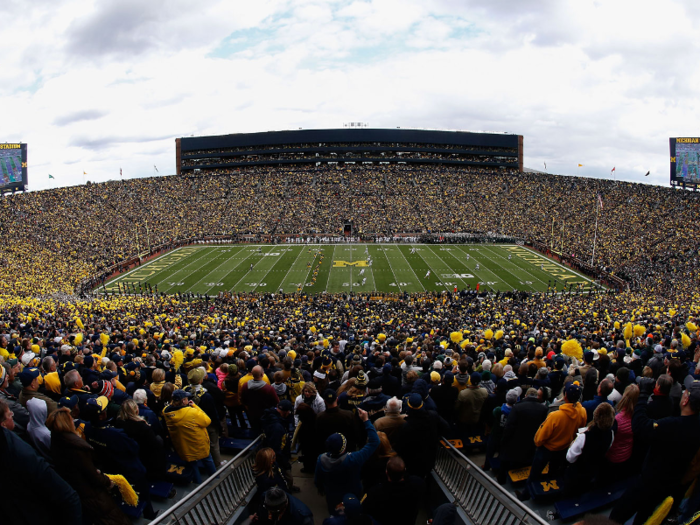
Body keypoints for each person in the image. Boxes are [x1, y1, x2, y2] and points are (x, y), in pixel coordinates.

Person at [610, 382, 700, 525]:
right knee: (645, 517)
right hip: (669, 486)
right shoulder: (694, 426)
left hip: (649, 482)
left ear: (686, 400)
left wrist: (643, 394)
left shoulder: (671, 425)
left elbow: (640, 426)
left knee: (617, 516)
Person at [0, 400, 82, 525]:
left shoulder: (26, 432)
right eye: (10, 415)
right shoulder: (21, 452)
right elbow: (68, 497)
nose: (13, 415)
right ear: (3, 425)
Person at [48, 407, 131, 525]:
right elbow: (92, 474)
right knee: (113, 518)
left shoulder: (56, 441)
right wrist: (107, 482)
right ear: (66, 423)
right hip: (91, 494)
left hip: (80, 490)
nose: (73, 420)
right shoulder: (76, 446)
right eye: (71, 419)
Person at [518, 381, 586, 500]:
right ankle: (548, 493)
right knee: (553, 472)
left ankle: (525, 495)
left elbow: (540, 437)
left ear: (565, 396)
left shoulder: (556, 415)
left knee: (535, 473)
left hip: (547, 449)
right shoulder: (582, 412)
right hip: (563, 448)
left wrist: (538, 445)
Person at [315, 407, 379, 514]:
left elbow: (318, 478)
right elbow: (374, 442)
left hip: (332, 495)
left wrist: (321, 488)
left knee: (334, 514)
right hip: (352, 494)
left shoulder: (321, 459)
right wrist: (366, 420)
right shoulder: (353, 459)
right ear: (344, 447)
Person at [163, 389, 217, 483]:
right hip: (198, 443)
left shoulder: (166, 412)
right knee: (207, 460)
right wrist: (195, 407)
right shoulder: (191, 412)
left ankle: (198, 485)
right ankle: (216, 480)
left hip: (183, 445)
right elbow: (207, 421)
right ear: (183, 401)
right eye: (186, 398)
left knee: (192, 464)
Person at [498, 387, 548, 484]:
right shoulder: (543, 408)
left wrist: (504, 441)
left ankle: (501, 480)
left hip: (516, 440)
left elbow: (509, 426)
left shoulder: (517, 407)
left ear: (526, 395)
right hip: (531, 440)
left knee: (506, 460)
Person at [564, 403, 616, 495]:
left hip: (577, 473)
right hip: (593, 471)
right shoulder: (611, 434)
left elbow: (570, 458)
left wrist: (573, 443)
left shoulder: (584, 437)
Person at [362, 456, 426, 525]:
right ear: (405, 470)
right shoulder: (417, 484)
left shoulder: (375, 492)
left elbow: (365, 508)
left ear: (386, 472)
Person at [261, 399, 299, 492]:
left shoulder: (272, 418)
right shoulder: (277, 427)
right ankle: (287, 490)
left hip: (278, 455)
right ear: (285, 412)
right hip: (278, 457)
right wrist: (283, 462)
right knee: (285, 475)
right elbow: (276, 446)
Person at [240, 365, 279, 435]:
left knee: (255, 431)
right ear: (262, 374)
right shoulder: (268, 389)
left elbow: (243, 400)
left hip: (251, 414)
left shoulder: (245, 386)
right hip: (265, 415)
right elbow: (276, 402)